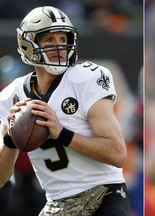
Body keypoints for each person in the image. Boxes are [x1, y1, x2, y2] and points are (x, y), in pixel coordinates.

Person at [0, 6, 131, 216]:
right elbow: (1, 178)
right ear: (28, 44)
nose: (59, 47)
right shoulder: (12, 95)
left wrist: (62, 133)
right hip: (56, 205)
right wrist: (9, 138)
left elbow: (117, 153)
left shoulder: (87, 78)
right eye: (49, 41)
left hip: (103, 195)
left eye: (63, 39)